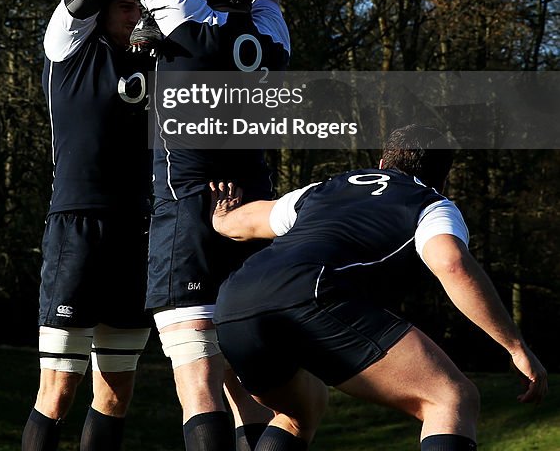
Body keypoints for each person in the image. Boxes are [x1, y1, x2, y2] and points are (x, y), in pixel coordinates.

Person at [210, 124, 549, 451]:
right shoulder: (430, 203)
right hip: (311, 293)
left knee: (298, 412)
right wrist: (516, 348)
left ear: (383, 163)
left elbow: (240, 224)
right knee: (451, 397)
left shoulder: (325, 188)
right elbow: (451, 264)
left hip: (234, 304)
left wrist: (220, 216)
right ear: (443, 179)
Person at [129, 0, 290, 451]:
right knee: (250, 388)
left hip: (190, 216)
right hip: (253, 216)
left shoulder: (185, 21)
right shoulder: (268, 38)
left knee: (200, 389)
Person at [22, 0, 159, 451]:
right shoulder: (68, 44)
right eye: (127, 3)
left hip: (137, 232)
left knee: (116, 392)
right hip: (76, 226)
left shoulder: (150, 63)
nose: (136, 11)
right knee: (59, 389)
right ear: (100, 8)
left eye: (139, 3)